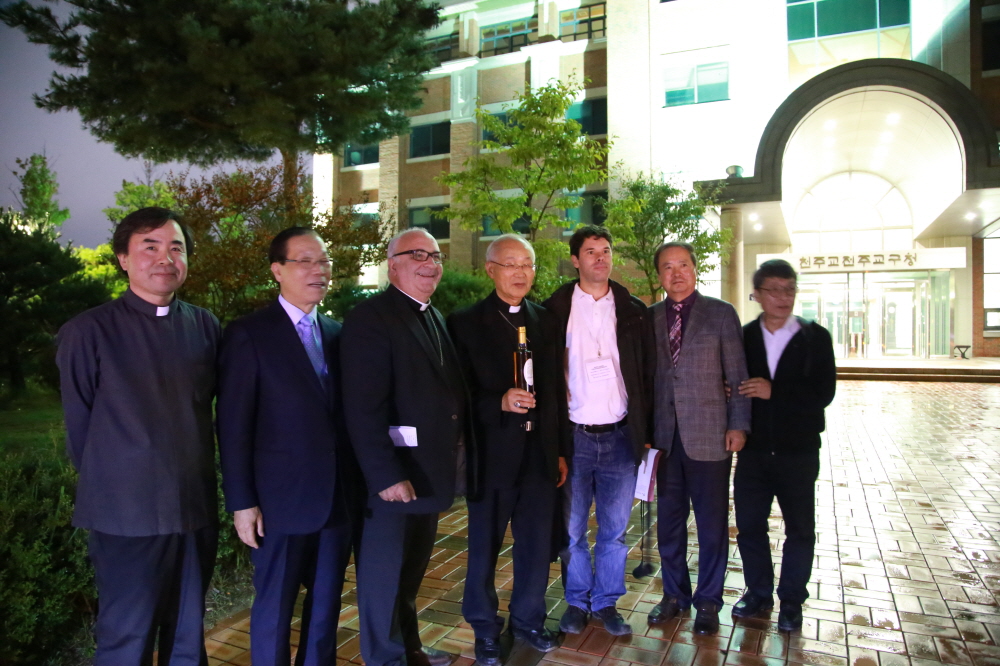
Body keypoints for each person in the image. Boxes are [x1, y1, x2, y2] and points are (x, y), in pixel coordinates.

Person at [55, 207, 220, 665]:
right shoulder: (87, 331)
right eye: (150, 247)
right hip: (125, 515)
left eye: (176, 248)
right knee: (127, 638)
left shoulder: (204, 326)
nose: (165, 258)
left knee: (187, 635)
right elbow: (81, 430)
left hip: (193, 509)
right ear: (123, 259)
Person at [217, 227, 360, 665]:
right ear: (277, 270)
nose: (319, 270)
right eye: (305, 261)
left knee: (325, 607)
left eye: (324, 261)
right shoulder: (249, 334)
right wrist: (242, 502)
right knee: (275, 608)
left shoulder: (337, 333)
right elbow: (233, 425)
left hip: (336, 499)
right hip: (278, 503)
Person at [341, 228, 475, 666]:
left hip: (425, 473)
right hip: (393, 479)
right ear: (392, 264)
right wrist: (386, 475)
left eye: (435, 256)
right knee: (384, 578)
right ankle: (386, 657)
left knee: (409, 574)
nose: (430, 264)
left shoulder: (431, 315)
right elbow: (363, 408)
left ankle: (409, 648)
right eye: (418, 255)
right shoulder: (371, 318)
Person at [447, 235, 569, 665]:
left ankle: (528, 620)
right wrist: (497, 401)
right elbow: (457, 395)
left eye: (527, 264)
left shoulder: (545, 321)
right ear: (490, 270)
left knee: (535, 545)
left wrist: (560, 450)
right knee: (484, 547)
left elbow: (556, 392)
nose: (520, 272)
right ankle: (484, 628)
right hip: (492, 454)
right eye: (511, 264)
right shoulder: (464, 323)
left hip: (538, 454)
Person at [543, 225, 654, 637]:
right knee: (572, 531)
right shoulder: (553, 310)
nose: (600, 258)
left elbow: (647, 374)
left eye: (605, 250)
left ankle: (606, 601)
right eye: (591, 252)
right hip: (574, 436)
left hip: (621, 436)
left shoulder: (632, 310)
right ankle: (576, 601)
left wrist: (646, 431)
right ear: (575, 260)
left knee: (614, 531)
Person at [647, 241, 750, 635]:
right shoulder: (650, 317)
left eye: (683, 265)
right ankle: (674, 595)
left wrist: (738, 424)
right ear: (659, 274)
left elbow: (737, 375)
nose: (676, 273)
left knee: (711, 525)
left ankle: (708, 601)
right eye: (667, 267)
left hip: (710, 433)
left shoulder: (721, 314)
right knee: (669, 523)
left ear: (694, 269)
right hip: (665, 438)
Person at [733, 259, 836, 632]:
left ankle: (791, 600)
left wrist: (774, 391)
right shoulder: (743, 336)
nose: (783, 297)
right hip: (753, 451)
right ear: (757, 295)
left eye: (789, 289)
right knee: (749, 526)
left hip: (799, 452)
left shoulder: (814, 337)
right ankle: (758, 592)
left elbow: (824, 393)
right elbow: (734, 383)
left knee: (800, 529)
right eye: (774, 289)